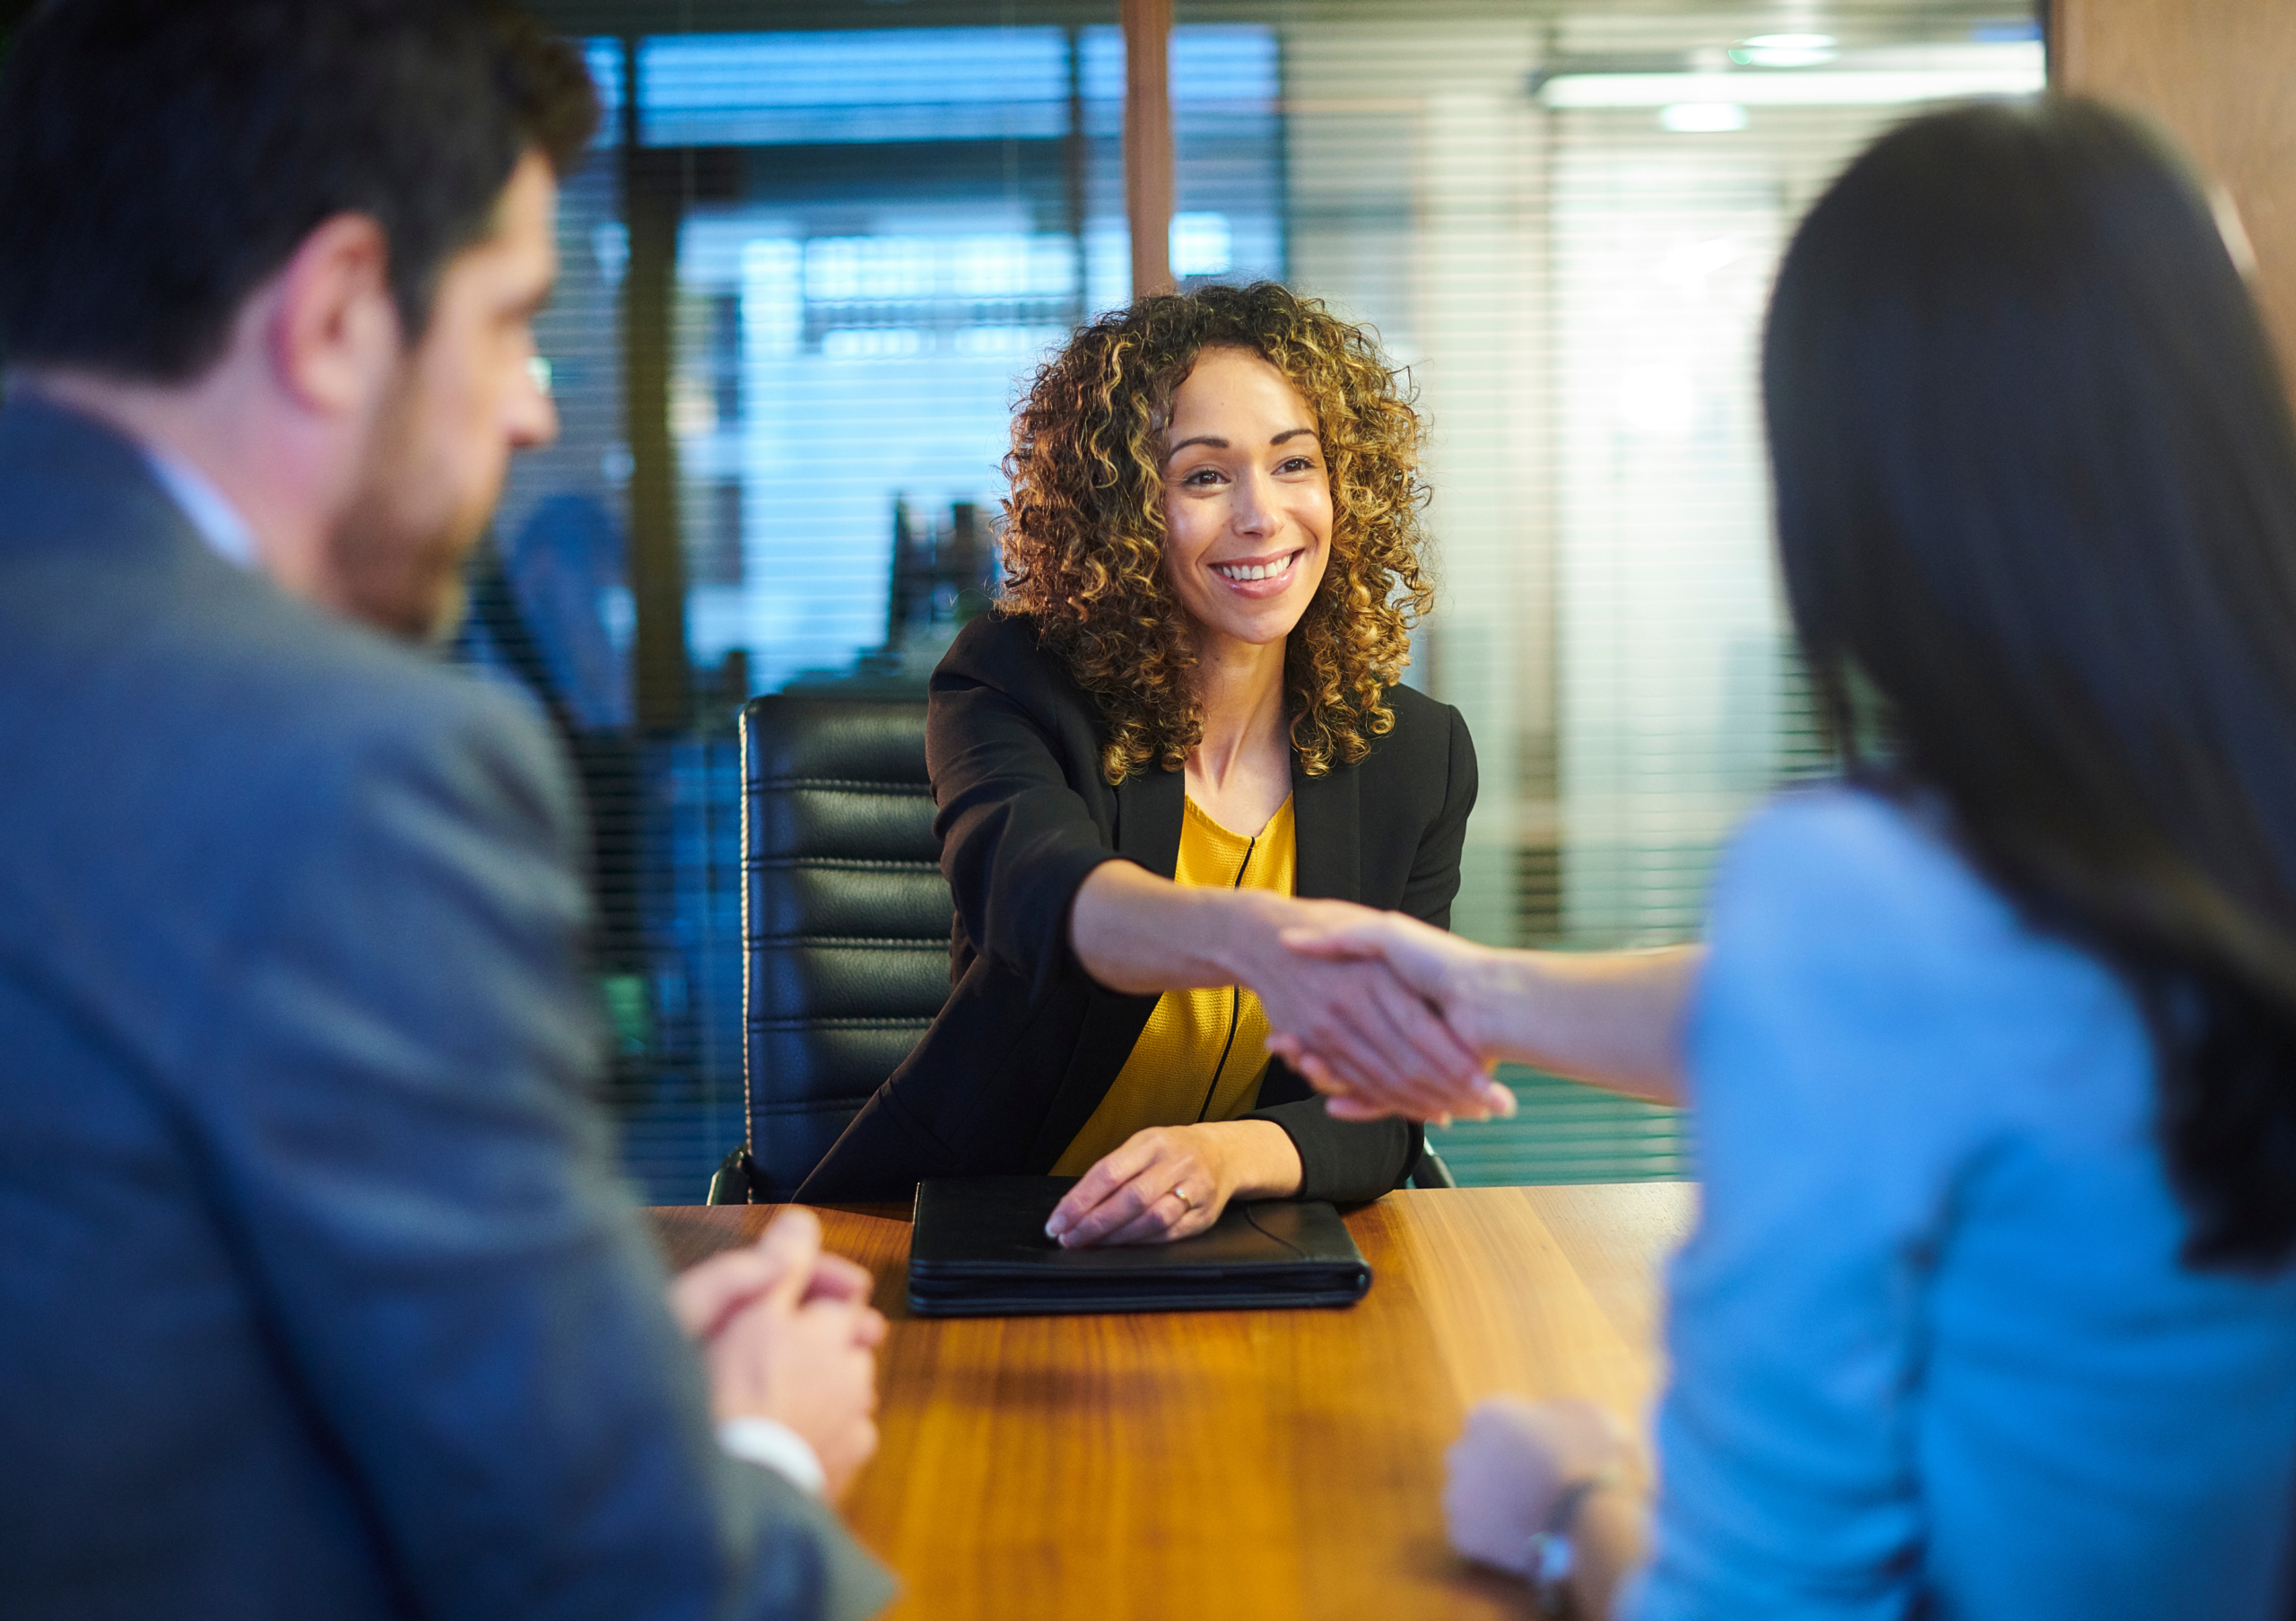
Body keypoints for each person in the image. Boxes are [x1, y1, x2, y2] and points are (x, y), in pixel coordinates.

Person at [1281, 100, 2296, 1618]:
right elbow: (1975, 1016)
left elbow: (1759, 1601)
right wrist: (1488, 993)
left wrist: (1566, 1506)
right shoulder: (2194, 838)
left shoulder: (1866, 894)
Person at [0, 4, 892, 1617]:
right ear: (339, 312)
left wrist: (572, 1346)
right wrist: (756, 1447)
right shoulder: (339, 761)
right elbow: (637, 1585)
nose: (537, 406)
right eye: (511, 322)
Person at [799, 283, 1510, 1243]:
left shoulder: (1413, 755)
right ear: (1124, 509)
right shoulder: (1010, 683)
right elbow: (1041, 897)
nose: (1262, 516)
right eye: (1204, 477)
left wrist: (1224, 1156)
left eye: (1294, 462)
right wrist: (1254, 938)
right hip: (979, 1219)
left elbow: (1383, 1109)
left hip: (1236, 1238)